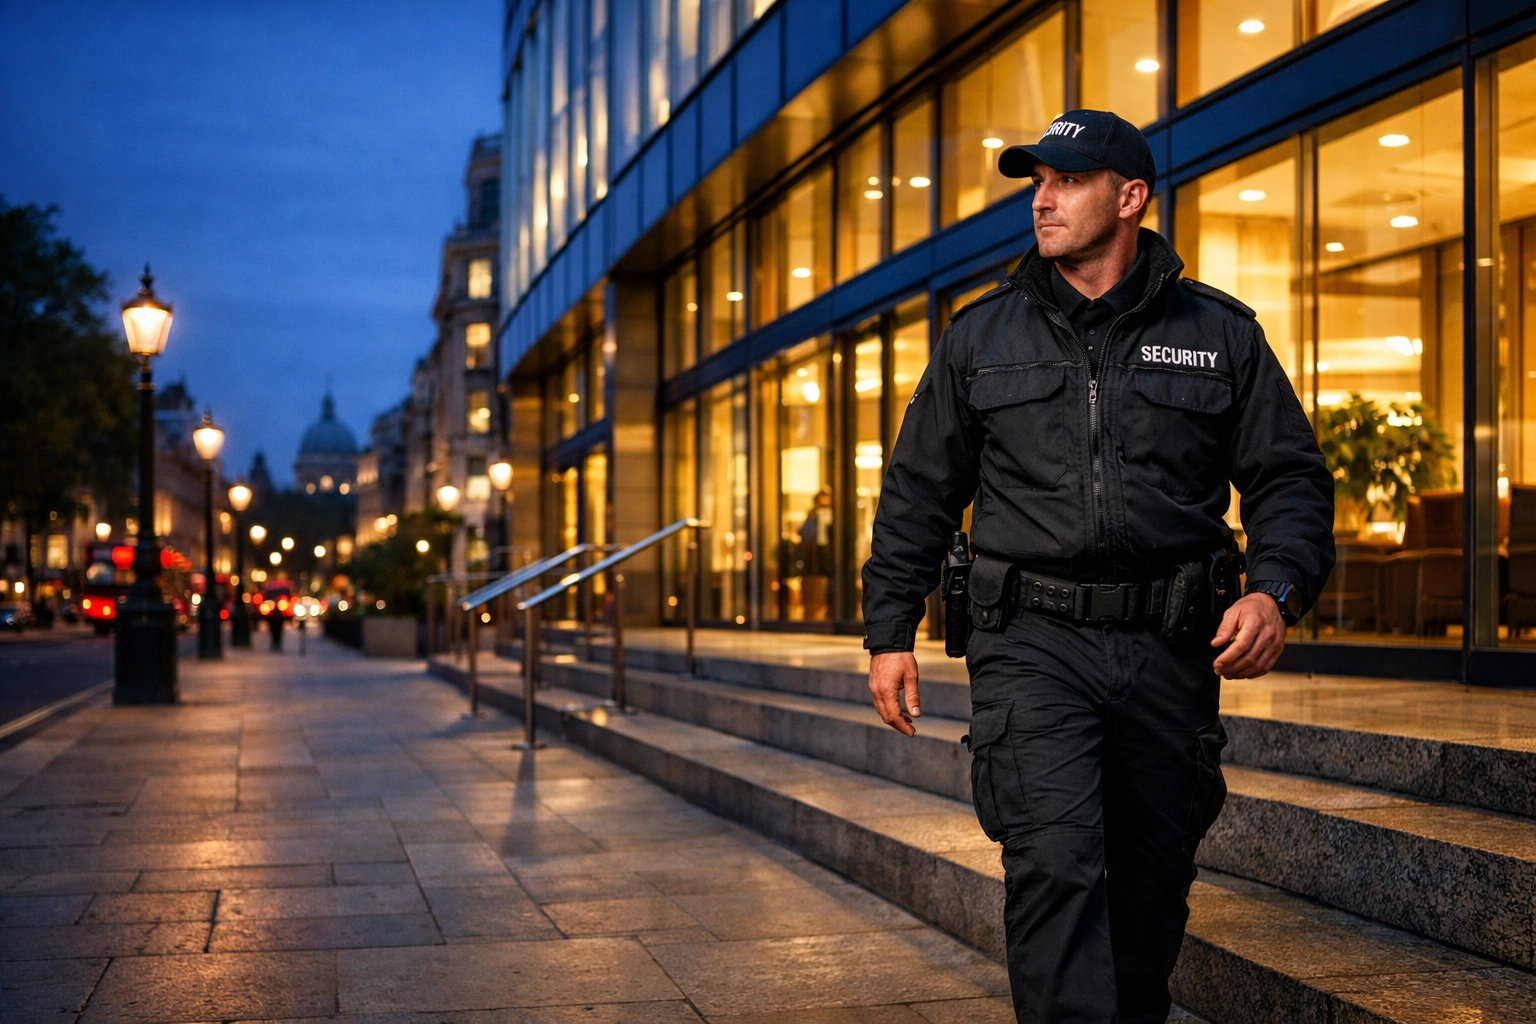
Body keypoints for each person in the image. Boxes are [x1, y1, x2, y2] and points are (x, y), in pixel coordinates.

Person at [861, 109, 1334, 1023]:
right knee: (1053, 864)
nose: (1042, 199)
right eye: (1036, 181)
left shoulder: (1221, 334)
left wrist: (1276, 590)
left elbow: (1289, 479)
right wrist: (891, 632)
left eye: (1066, 181)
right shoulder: (979, 337)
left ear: (1129, 198)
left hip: (1170, 644)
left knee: (1152, 884)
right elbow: (916, 492)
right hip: (1030, 641)